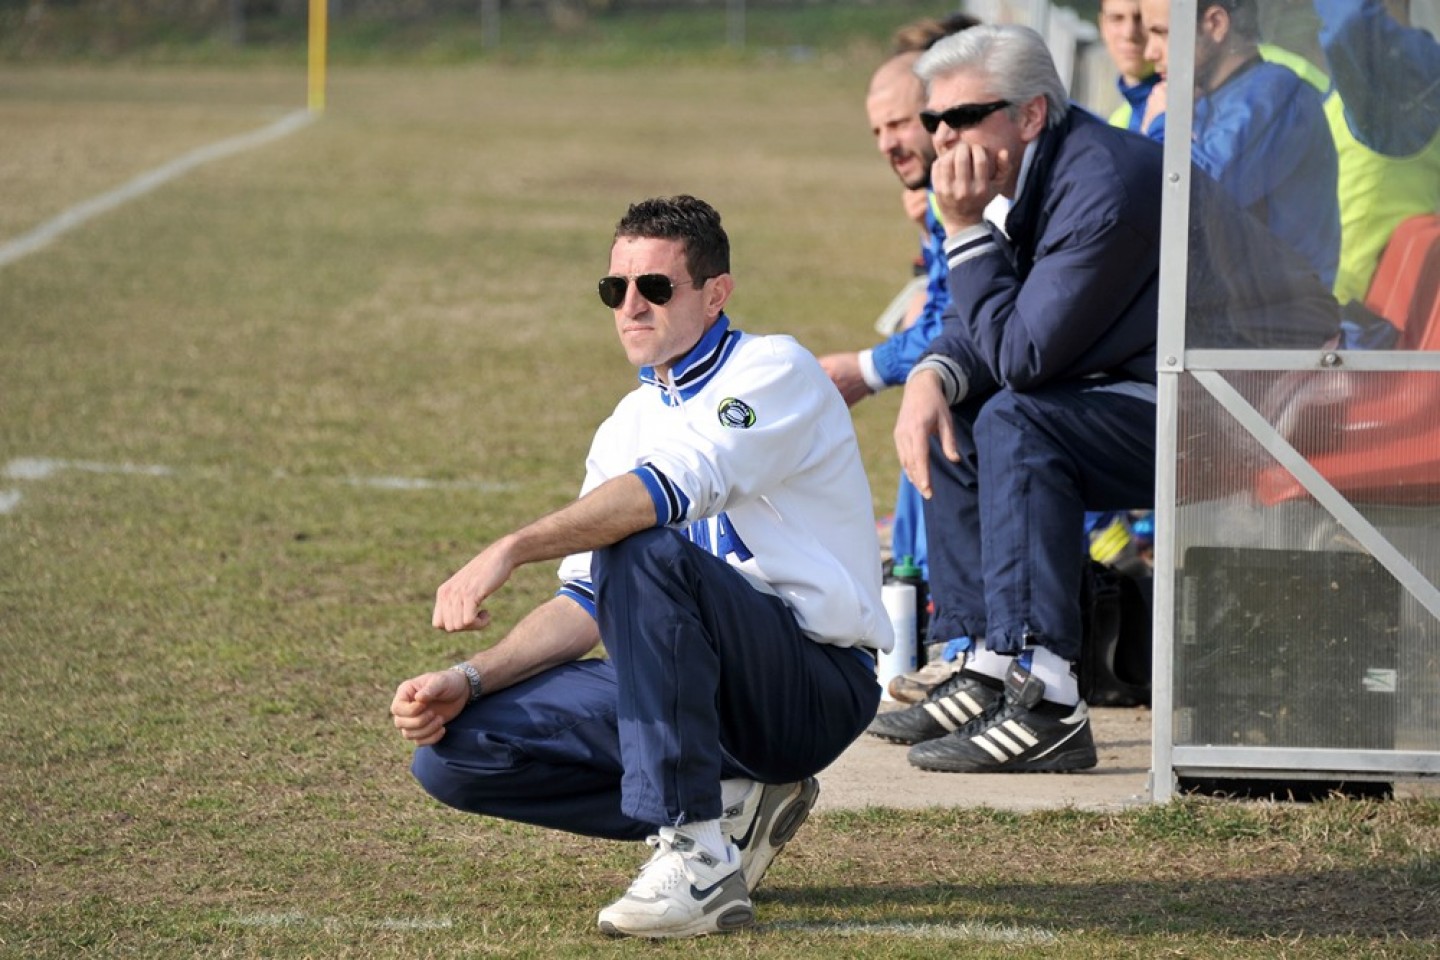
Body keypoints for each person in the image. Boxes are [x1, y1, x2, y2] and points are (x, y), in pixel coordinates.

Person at [389, 196, 889, 938]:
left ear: (715, 293)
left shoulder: (773, 370)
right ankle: (725, 808)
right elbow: (587, 603)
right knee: (456, 755)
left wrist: (512, 546)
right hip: (700, 692)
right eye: (614, 288)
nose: (631, 305)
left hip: (810, 686)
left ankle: (696, 859)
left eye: (655, 287)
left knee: (642, 541)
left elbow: (665, 496)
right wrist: (468, 679)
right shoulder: (626, 425)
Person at [870, 24, 1339, 772]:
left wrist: (960, 230)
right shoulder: (1022, 170)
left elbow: (1023, 355)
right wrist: (930, 374)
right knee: (955, 409)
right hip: (1165, 381)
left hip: (1253, 399)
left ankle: (1051, 699)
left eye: (963, 116)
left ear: (1029, 114)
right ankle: (989, 660)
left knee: (1018, 421)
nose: (943, 137)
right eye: (934, 120)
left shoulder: (1102, 184)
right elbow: (985, 330)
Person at [1139, 0, 1341, 289]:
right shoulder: (1209, 98)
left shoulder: (1272, 94)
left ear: (1216, 24)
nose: (1150, 52)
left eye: (1163, 33)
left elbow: (1192, 201)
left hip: (1278, 317)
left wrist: (1163, 125)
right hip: (1240, 306)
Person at [1099, 0, 1161, 131]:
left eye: (1141, 18)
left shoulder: (1189, 112)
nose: (1129, 33)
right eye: (1116, 18)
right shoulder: (1118, 120)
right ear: (1102, 25)